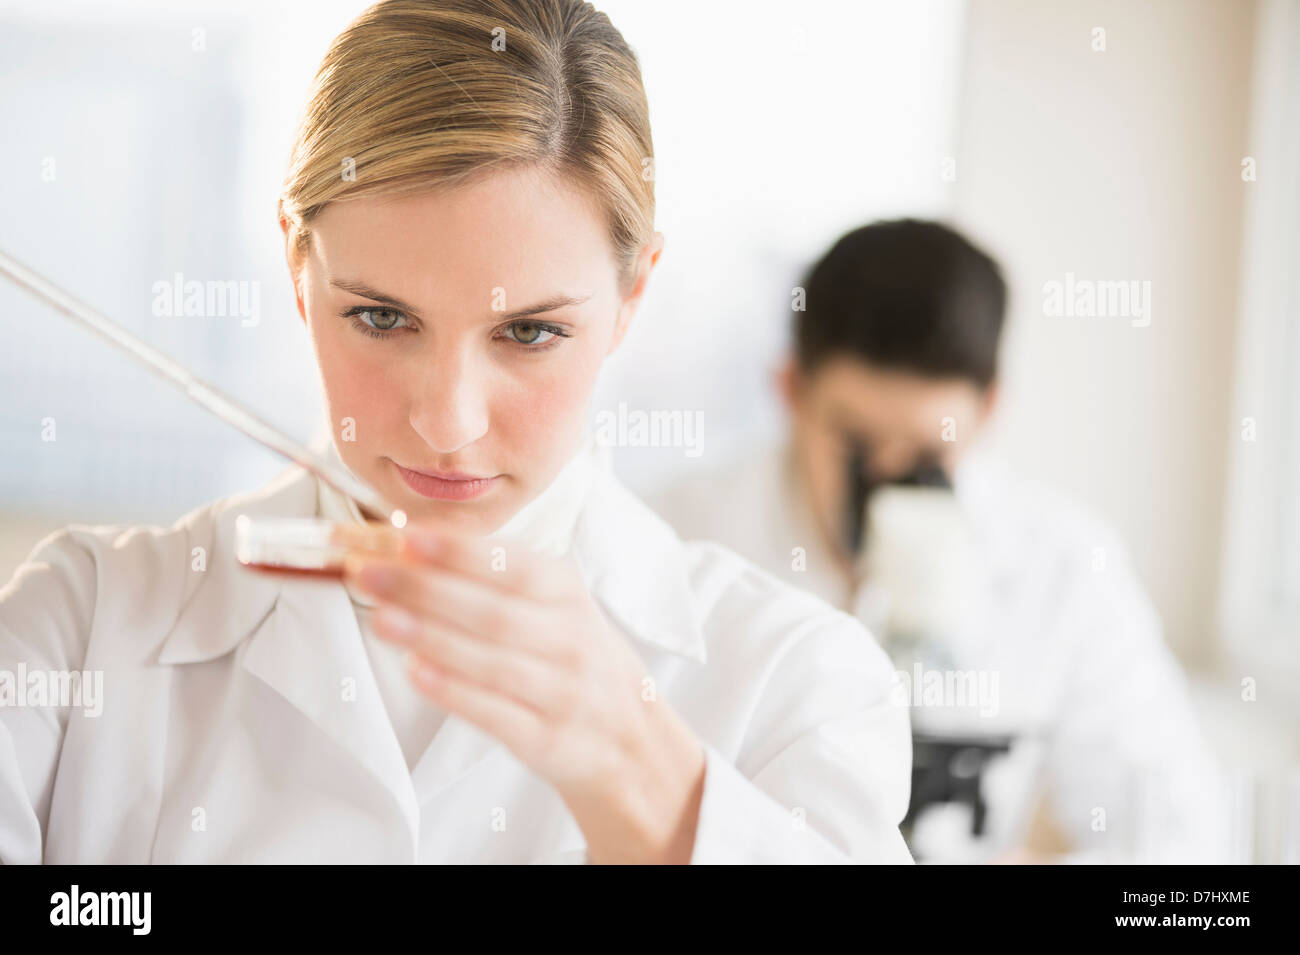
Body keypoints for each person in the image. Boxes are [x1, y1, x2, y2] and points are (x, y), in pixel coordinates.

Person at [0, 0, 914, 865]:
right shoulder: (77, 627)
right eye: (381, 319)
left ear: (632, 298)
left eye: (529, 332)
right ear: (295, 264)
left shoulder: (798, 682)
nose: (447, 420)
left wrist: (646, 779)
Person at [649, 219, 1230, 863]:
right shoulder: (669, 542)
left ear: (989, 412)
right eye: (859, 445)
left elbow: (1184, 841)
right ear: (790, 388)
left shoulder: (1063, 567)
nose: (889, 483)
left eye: (927, 451)